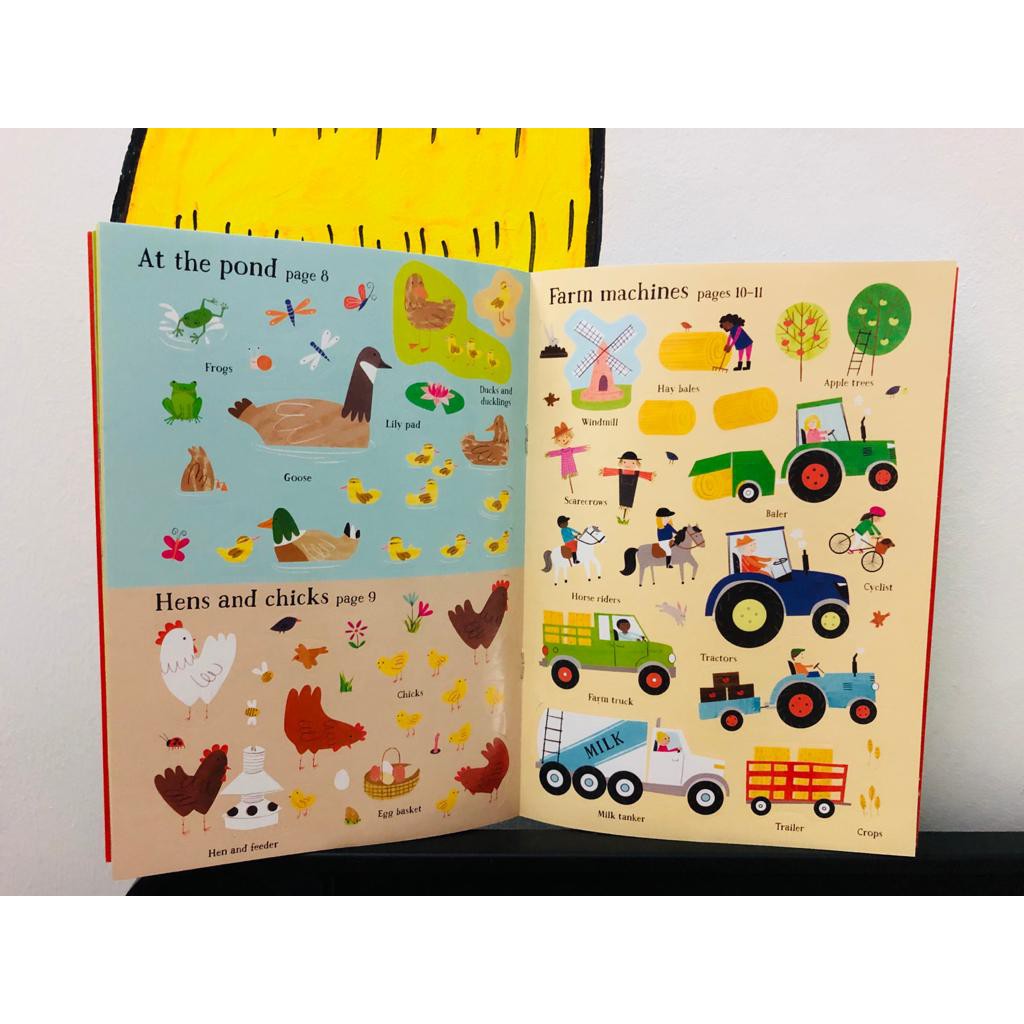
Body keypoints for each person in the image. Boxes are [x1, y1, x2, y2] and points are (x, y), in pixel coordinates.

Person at [598, 451, 655, 524]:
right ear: (621, 462)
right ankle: (623, 518)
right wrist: (604, 471)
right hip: (623, 489)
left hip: (631, 490)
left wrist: (650, 475)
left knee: (629, 502)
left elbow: (643, 474)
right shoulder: (621, 471)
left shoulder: (636, 473)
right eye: (625, 462)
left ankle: (625, 518)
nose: (628, 465)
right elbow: (613, 471)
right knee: (623, 501)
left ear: (636, 463)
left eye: (633, 463)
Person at [545, 422, 589, 494]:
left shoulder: (571, 450)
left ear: (570, 436)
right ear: (557, 442)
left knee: (571, 472)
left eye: (566, 437)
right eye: (560, 440)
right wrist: (549, 454)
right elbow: (555, 453)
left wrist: (584, 448)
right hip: (565, 466)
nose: (564, 440)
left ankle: (573, 493)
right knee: (566, 472)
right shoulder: (561, 451)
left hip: (571, 465)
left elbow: (577, 449)